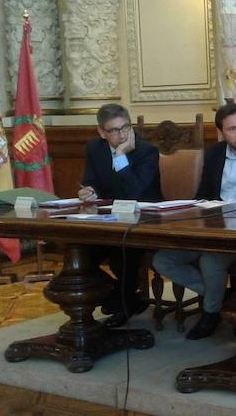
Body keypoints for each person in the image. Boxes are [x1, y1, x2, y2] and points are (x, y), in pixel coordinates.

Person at [153, 102, 236, 340]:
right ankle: (222, 298)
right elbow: (203, 194)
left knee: (210, 260)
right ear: (221, 133)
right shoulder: (214, 154)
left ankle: (211, 313)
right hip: (212, 227)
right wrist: (197, 211)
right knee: (163, 259)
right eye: (232, 129)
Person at [79, 103, 163, 328]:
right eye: (114, 130)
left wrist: (119, 154)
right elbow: (91, 181)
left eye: (125, 127)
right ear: (101, 132)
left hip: (144, 221)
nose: (122, 134)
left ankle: (126, 304)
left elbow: (135, 192)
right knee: (81, 257)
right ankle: (124, 297)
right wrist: (88, 191)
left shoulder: (147, 151)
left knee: (121, 255)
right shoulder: (94, 148)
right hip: (108, 220)